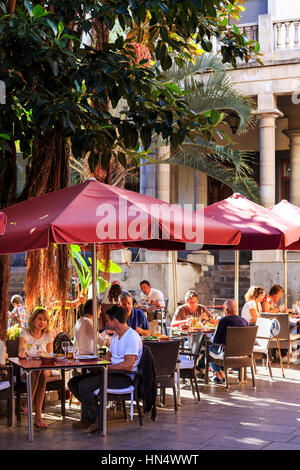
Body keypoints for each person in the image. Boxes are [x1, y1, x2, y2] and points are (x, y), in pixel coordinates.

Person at [68, 305, 143, 433]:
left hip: (124, 377)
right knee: (73, 383)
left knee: (84, 386)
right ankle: (94, 416)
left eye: (108, 320)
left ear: (115, 321)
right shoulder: (115, 336)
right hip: (111, 372)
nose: (106, 323)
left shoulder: (132, 337)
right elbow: (109, 355)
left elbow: (128, 364)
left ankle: (96, 418)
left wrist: (106, 367)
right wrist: (98, 362)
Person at [18, 307, 53, 428]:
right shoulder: (25, 333)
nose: (42, 322)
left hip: (45, 368)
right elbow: (21, 348)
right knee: (38, 373)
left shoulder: (47, 335)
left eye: (45, 320)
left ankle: (28, 403)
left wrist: (44, 359)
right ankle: (38, 417)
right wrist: (23, 351)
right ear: (33, 320)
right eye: (40, 319)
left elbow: (50, 355)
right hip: (27, 371)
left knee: (41, 371)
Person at [209, 299, 249, 384]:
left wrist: (209, 337)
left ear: (226, 310)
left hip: (227, 354)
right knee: (217, 348)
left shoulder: (223, 321)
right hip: (243, 354)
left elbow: (215, 340)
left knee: (209, 347)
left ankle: (219, 373)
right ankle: (218, 374)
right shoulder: (244, 321)